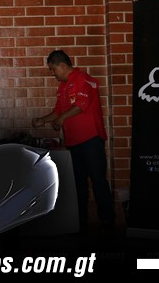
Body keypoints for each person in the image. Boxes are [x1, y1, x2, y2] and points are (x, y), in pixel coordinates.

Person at [32, 49, 115, 232]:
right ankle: (80, 222)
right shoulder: (62, 87)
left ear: (62, 65)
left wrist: (61, 119)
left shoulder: (85, 79)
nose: (52, 73)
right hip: (73, 143)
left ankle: (108, 222)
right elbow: (58, 111)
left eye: (53, 69)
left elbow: (80, 105)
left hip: (91, 140)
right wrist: (43, 120)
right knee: (78, 184)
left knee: (98, 180)